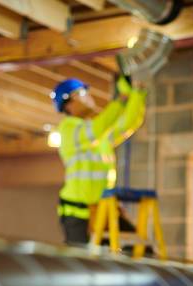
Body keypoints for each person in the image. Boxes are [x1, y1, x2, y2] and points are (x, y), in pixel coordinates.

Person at [50, 76, 146, 244]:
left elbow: (127, 124)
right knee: (81, 265)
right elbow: (98, 128)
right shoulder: (68, 130)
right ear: (69, 102)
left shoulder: (97, 135)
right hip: (78, 214)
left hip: (104, 209)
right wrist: (122, 99)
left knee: (139, 249)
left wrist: (137, 94)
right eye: (82, 93)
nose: (88, 96)